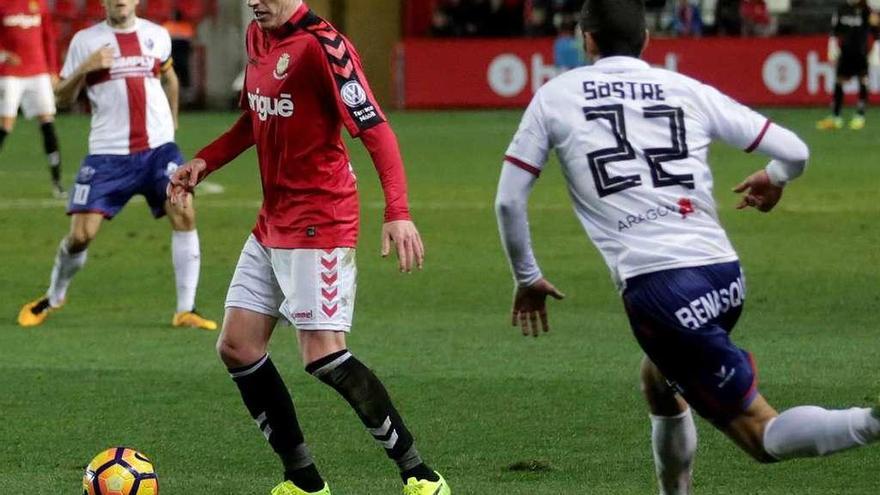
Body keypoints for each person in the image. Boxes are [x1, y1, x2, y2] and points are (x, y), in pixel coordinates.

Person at [495, 1, 880, 494]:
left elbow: (509, 201)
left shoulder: (555, 96)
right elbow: (795, 151)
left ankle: (872, 422)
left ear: (585, 39)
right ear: (647, 42)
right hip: (724, 275)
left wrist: (527, 277)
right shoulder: (684, 88)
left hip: (662, 292)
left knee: (760, 434)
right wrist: (775, 177)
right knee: (659, 380)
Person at [166, 1, 450, 494]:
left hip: (321, 221)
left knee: (323, 355)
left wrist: (398, 211)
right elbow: (254, 121)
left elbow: (376, 130)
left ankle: (420, 474)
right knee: (237, 346)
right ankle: (303, 480)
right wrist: (205, 161)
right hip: (272, 221)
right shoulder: (258, 36)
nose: (256, 0)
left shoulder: (326, 47)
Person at [17, 0, 216, 331]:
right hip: (108, 154)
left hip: (158, 151)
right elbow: (61, 99)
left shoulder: (156, 36)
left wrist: (172, 120)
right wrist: (85, 68)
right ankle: (53, 296)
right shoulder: (85, 41)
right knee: (80, 236)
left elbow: (170, 79)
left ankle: (186, 310)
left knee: (184, 211)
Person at [0, 0, 66, 197]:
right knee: (5, 126)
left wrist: (53, 69)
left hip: (39, 72)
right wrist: (2, 55)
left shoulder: (39, 4)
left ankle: (57, 182)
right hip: (10, 73)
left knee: (48, 124)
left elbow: (48, 38)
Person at [817, 0, 880, 131]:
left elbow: (876, 32)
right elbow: (834, 31)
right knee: (839, 82)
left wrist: (876, 50)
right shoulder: (842, 9)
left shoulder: (867, 10)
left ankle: (860, 116)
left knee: (863, 81)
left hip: (861, 53)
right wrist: (832, 46)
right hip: (845, 52)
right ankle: (836, 117)